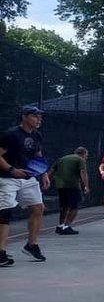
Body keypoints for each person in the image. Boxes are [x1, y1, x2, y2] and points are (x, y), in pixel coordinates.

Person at [0, 106, 50, 265]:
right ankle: (1, 252)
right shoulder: (11, 134)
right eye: (35, 116)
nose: (39, 120)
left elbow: (38, 155)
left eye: (40, 117)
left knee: (38, 208)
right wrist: (11, 169)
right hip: (8, 178)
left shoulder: (37, 136)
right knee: (4, 212)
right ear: (24, 117)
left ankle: (31, 245)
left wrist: (44, 173)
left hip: (29, 178)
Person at [53, 147, 90, 235]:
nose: (86, 157)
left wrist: (47, 180)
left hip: (60, 186)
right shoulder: (80, 160)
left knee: (64, 206)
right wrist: (86, 186)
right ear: (83, 153)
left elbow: (52, 169)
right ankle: (67, 226)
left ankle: (60, 226)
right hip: (72, 185)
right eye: (86, 155)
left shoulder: (62, 158)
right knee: (74, 207)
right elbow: (83, 172)